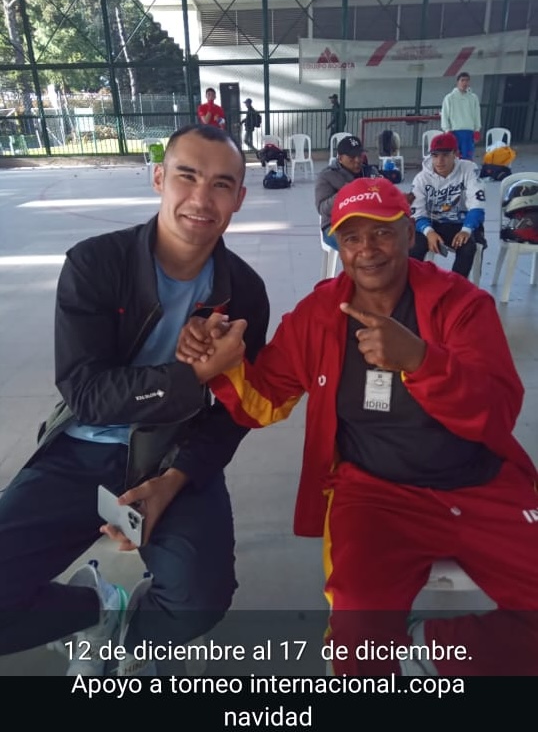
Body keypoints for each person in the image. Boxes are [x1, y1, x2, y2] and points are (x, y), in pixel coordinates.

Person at [177, 175, 538, 677]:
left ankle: (427, 650)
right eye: (351, 237)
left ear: (409, 233)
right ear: (338, 246)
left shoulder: (460, 305)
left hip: (481, 485)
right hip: (376, 496)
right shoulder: (319, 315)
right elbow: (264, 403)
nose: (367, 249)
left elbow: (498, 413)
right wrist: (223, 363)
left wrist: (421, 361)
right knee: (358, 651)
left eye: (382, 232)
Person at [0, 124, 270, 677]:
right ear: (158, 178)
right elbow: (86, 393)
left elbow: (236, 414)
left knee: (198, 602)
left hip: (173, 453)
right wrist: (190, 376)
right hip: (82, 451)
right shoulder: (97, 263)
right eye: (187, 176)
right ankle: (94, 609)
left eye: (221, 184)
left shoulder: (244, 292)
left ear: (239, 198)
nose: (201, 198)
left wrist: (175, 480)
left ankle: (131, 636)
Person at [408, 131, 486, 278]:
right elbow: (416, 212)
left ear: (455, 154)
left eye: (445, 155)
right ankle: (413, 286)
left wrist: (467, 229)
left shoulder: (468, 169)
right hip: (431, 222)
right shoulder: (421, 178)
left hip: (460, 223)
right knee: (413, 247)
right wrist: (429, 232)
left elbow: (478, 204)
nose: (439, 161)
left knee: (468, 247)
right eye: (435, 155)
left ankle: (455, 287)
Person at [316, 134, 379, 250]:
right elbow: (322, 208)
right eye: (352, 157)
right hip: (335, 225)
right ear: (340, 158)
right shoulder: (327, 175)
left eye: (359, 155)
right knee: (361, 249)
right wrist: (345, 194)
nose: (357, 160)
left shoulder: (369, 172)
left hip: (368, 222)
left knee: (394, 241)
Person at [441, 72, 481, 160]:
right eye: (462, 80)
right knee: (454, 158)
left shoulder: (473, 98)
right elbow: (445, 115)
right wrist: (447, 130)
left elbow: (477, 114)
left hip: (469, 132)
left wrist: (477, 130)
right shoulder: (449, 98)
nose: (464, 83)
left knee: (467, 158)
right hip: (454, 132)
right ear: (457, 82)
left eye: (467, 80)